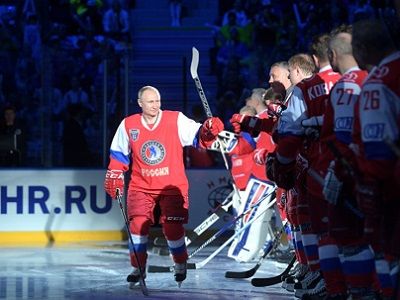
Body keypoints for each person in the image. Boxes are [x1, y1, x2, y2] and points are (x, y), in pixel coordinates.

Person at [103, 85, 224, 286]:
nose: (155, 105)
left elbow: (198, 137)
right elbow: (118, 155)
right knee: (137, 225)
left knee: (172, 228)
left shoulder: (175, 119)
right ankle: (138, 267)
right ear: (140, 103)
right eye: (150, 102)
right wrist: (115, 172)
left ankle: (180, 262)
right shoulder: (128, 125)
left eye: (158, 101)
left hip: (172, 185)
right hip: (141, 185)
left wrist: (208, 130)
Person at [352, 18, 400, 299]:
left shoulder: (379, 81)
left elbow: (379, 151)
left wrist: (370, 188)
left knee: (389, 255)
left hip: (394, 191)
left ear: (361, 48)